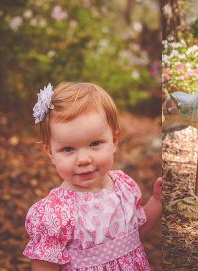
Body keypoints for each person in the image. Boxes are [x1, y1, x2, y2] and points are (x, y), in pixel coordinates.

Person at [24, 82, 162, 270]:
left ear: (113, 141)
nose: (83, 159)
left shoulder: (123, 187)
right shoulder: (54, 213)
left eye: (95, 143)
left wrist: (157, 201)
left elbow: (135, 235)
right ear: (50, 153)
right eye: (68, 149)